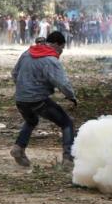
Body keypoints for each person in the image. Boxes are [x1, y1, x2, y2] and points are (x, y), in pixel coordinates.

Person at [10, 31, 77, 168]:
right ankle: (68, 159)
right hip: (38, 100)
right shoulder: (50, 60)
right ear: (57, 45)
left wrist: (23, 88)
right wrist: (71, 96)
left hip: (21, 99)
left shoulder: (27, 53)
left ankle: (18, 148)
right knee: (66, 123)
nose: (61, 52)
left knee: (31, 120)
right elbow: (63, 84)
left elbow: (14, 73)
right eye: (62, 48)